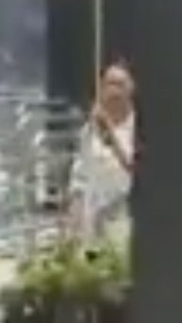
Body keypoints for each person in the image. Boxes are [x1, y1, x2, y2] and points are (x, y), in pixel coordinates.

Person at [67, 61, 136, 242]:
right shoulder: (90, 130)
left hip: (125, 217)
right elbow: (79, 175)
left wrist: (109, 133)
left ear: (131, 88)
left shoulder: (139, 128)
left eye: (119, 85)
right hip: (93, 219)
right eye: (108, 84)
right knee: (93, 262)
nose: (114, 91)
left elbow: (134, 168)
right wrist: (74, 215)